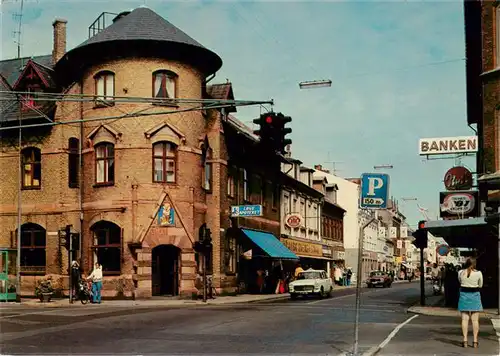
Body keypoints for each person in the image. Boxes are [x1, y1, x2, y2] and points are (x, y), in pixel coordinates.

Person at [458, 258, 483, 348]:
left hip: (464, 296)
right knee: (475, 320)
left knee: (464, 320)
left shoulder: (460, 272)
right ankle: (475, 341)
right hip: (475, 296)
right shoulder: (478, 273)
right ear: (475, 264)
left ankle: (465, 340)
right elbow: (480, 285)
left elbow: (460, 282)